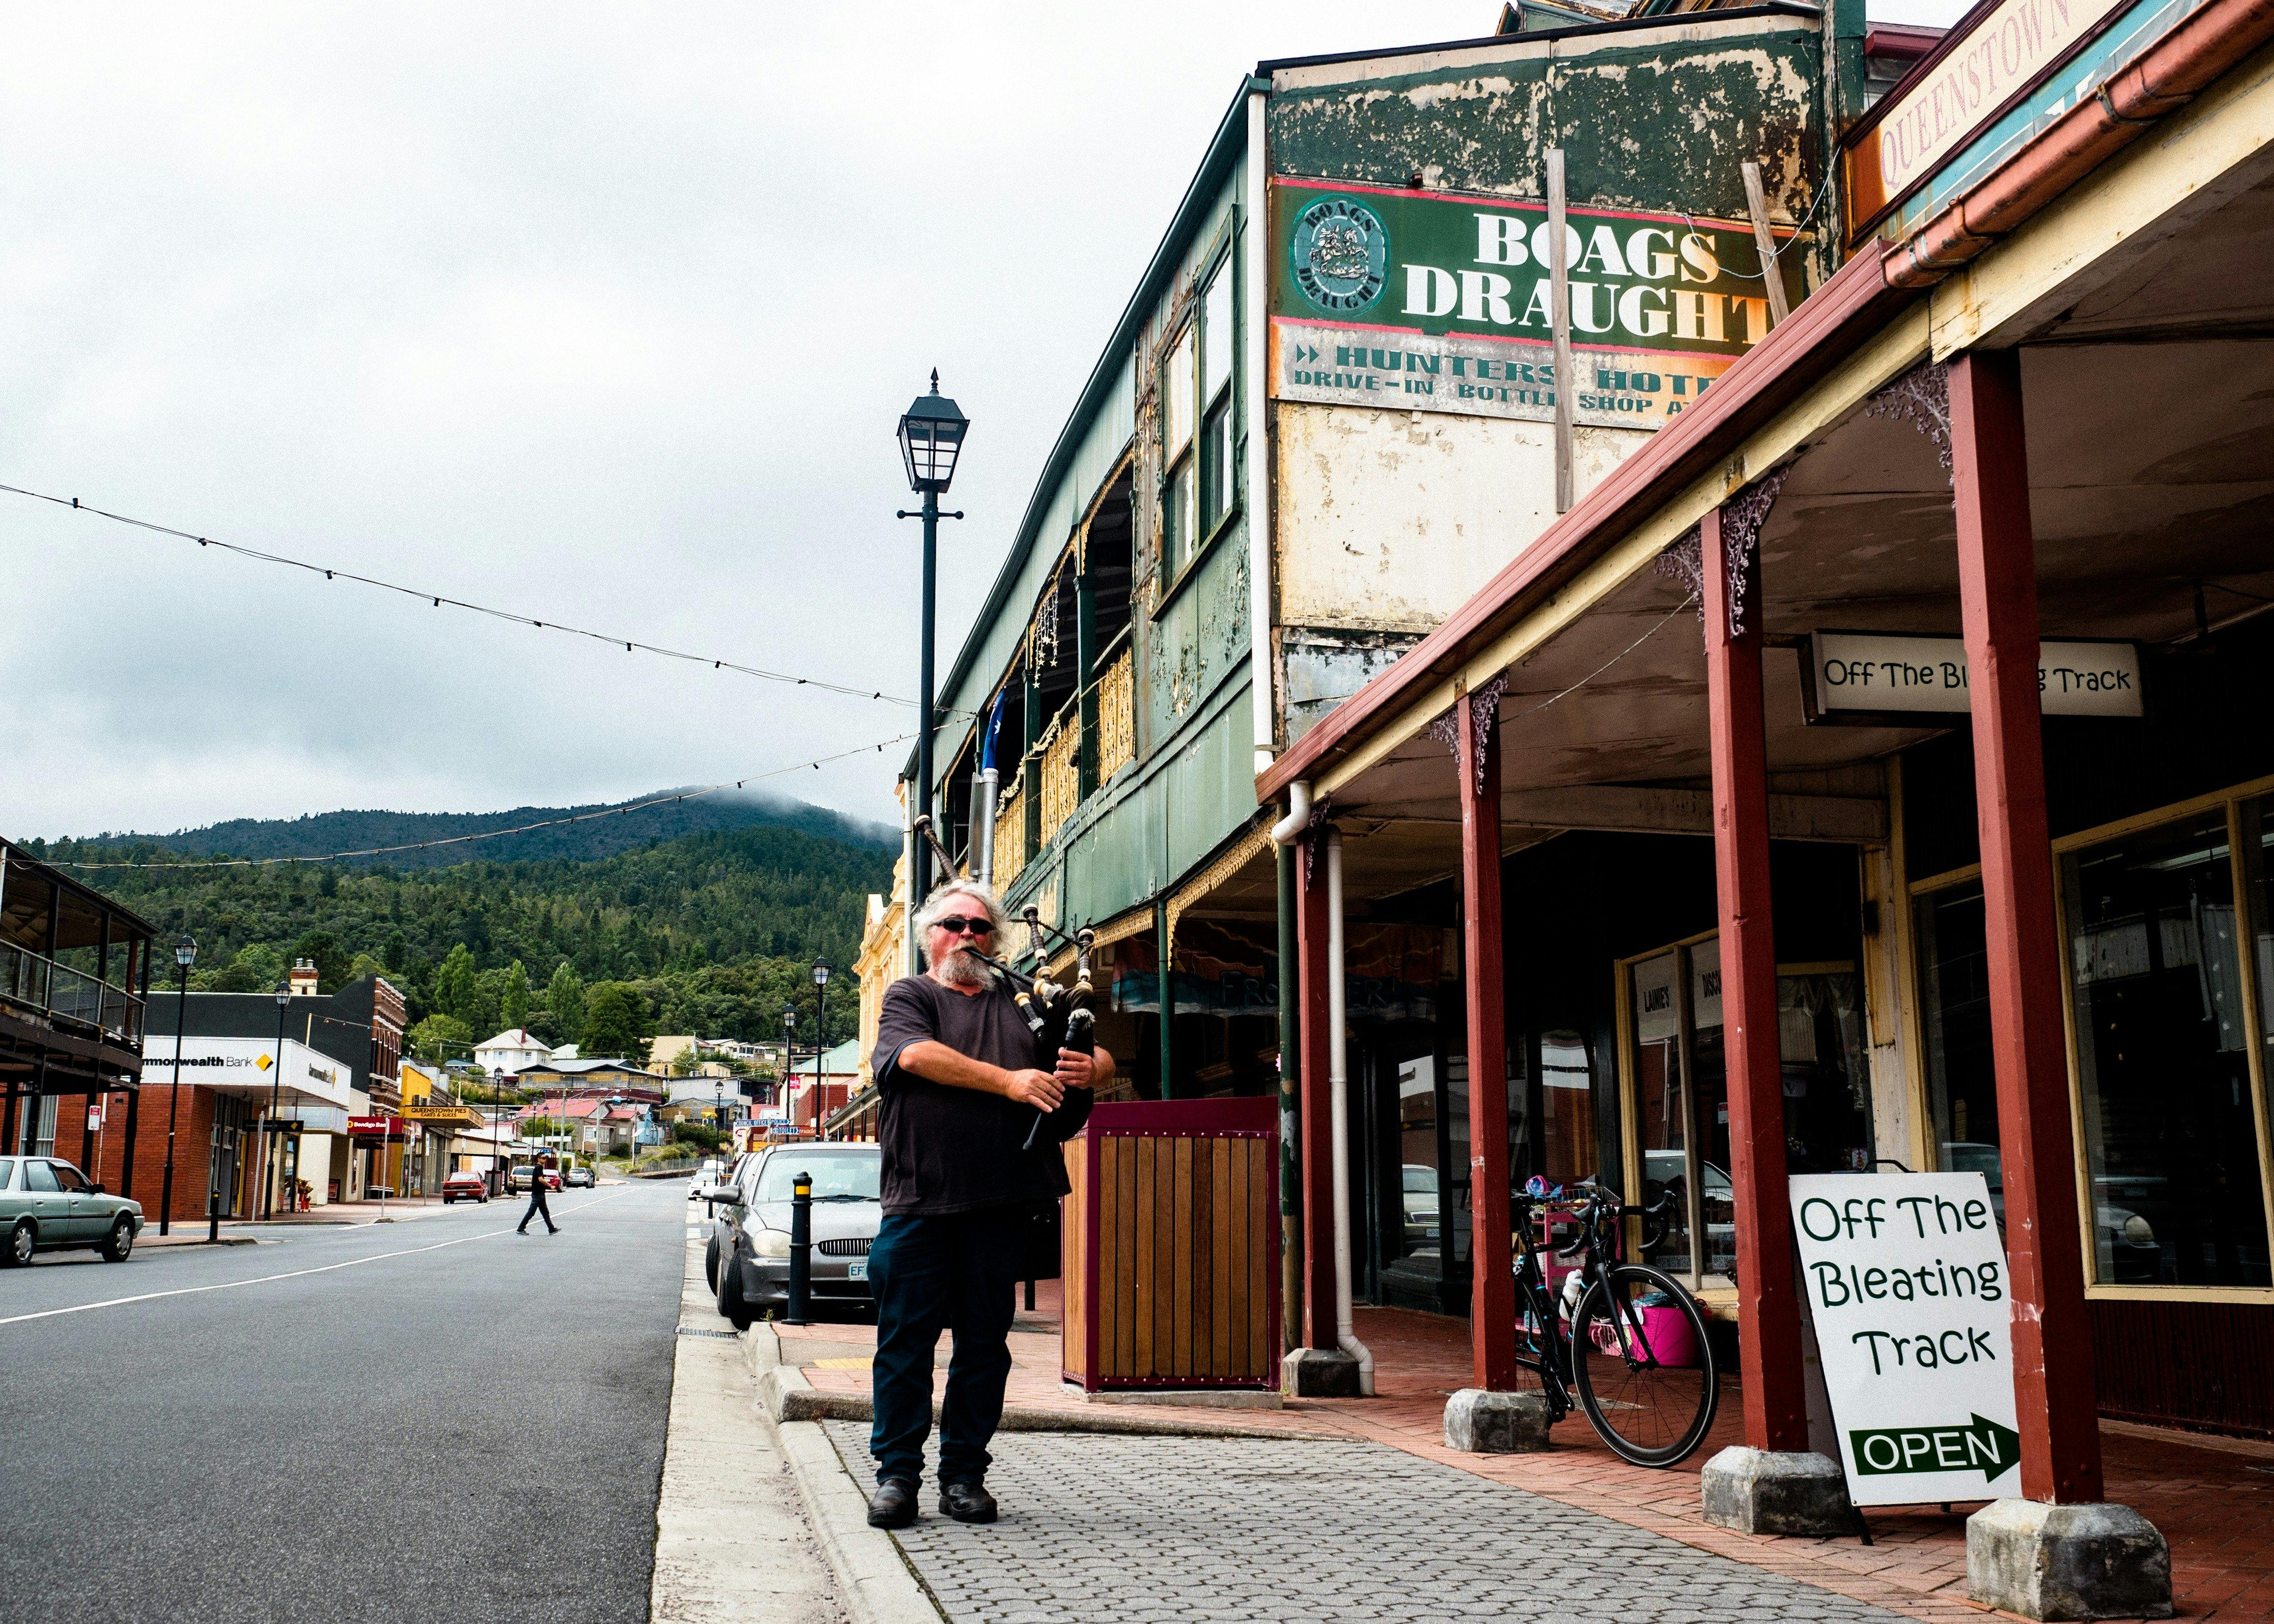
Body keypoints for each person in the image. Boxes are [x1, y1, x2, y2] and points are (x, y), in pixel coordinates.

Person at [863, 880, 1111, 1528]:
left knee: (983, 1346)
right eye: (954, 923)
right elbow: (912, 1056)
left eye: (980, 925)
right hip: (920, 1201)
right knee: (905, 1344)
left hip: (1002, 1203)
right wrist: (1007, 1079)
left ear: (997, 940)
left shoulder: (1022, 1000)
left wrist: (1097, 1068)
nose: (968, 934)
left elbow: (1089, 1046)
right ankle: (897, 1475)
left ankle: (964, 1476)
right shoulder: (911, 996)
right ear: (930, 937)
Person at [517, 1153, 558, 1235]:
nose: (545, 1160)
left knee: (545, 1213)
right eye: (543, 1158)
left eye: (546, 1158)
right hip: (538, 1194)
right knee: (531, 1212)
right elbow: (541, 1180)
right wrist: (550, 1185)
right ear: (539, 1159)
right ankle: (521, 1228)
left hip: (541, 1194)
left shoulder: (540, 1168)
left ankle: (551, 1229)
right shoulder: (538, 1168)